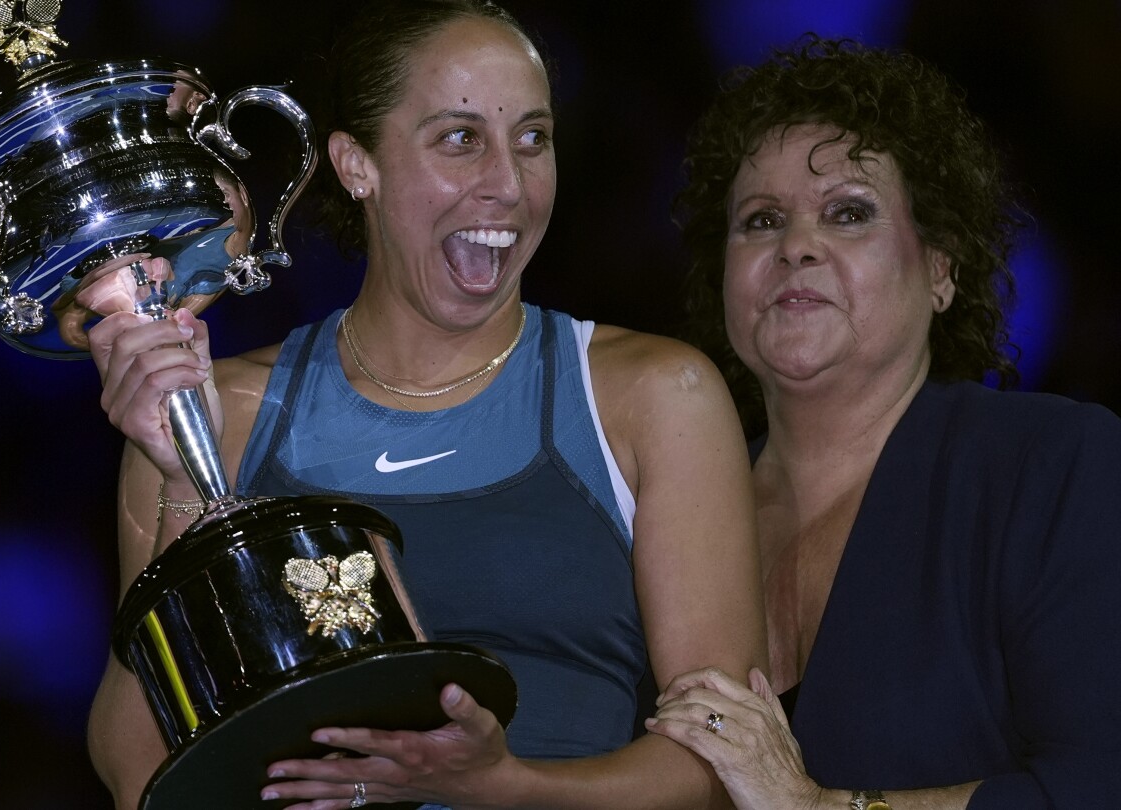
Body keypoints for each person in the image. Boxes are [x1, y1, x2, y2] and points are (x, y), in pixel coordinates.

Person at [83, 1, 767, 808]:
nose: (509, 186)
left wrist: (502, 786)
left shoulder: (655, 396)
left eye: (533, 140)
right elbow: (141, 780)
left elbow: (729, 763)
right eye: (461, 139)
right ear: (355, 164)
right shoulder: (213, 412)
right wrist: (185, 479)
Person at [647, 36, 1121, 809]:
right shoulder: (660, 510)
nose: (797, 246)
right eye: (760, 221)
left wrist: (819, 807)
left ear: (940, 270)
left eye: (848, 213)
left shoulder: (1054, 468)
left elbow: (1101, 785)